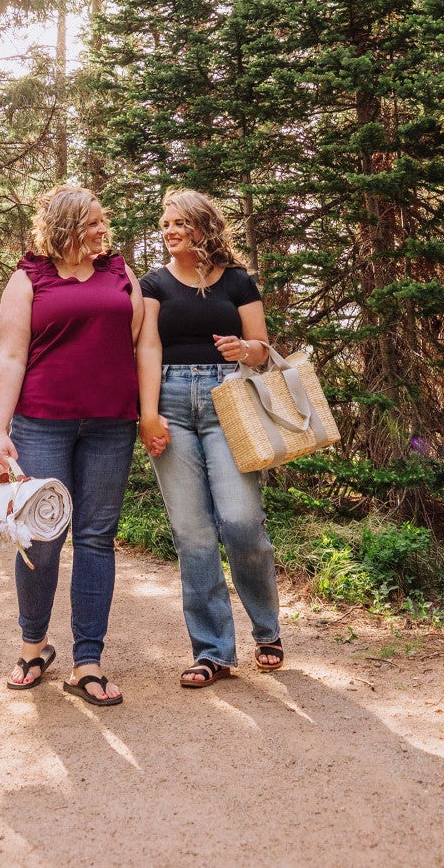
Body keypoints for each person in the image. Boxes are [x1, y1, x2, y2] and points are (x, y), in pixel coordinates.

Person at [0, 184, 167, 706]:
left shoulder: (119, 273)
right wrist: (0, 432)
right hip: (42, 423)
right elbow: (11, 357)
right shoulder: (28, 278)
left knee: (95, 538)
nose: (101, 230)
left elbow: (139, 342)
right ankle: (34, 647)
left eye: (101, 222)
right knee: (41, 537)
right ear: (65, 225)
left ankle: (87, 661)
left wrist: (147, 412)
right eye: (91, 223)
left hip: (111, 423)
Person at [136, 188, 283, 687]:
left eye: (178, 222)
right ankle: (213, 651)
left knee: (241, 521)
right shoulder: (153, 283)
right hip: (172, 403)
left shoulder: (239, 282)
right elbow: (148, 346)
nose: (168, 230)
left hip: (229, 402)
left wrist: (246, 348)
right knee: (193, 535)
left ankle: (267, 629)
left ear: (202, 227)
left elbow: (264, 350)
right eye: (164, 224)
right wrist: (148, 413)